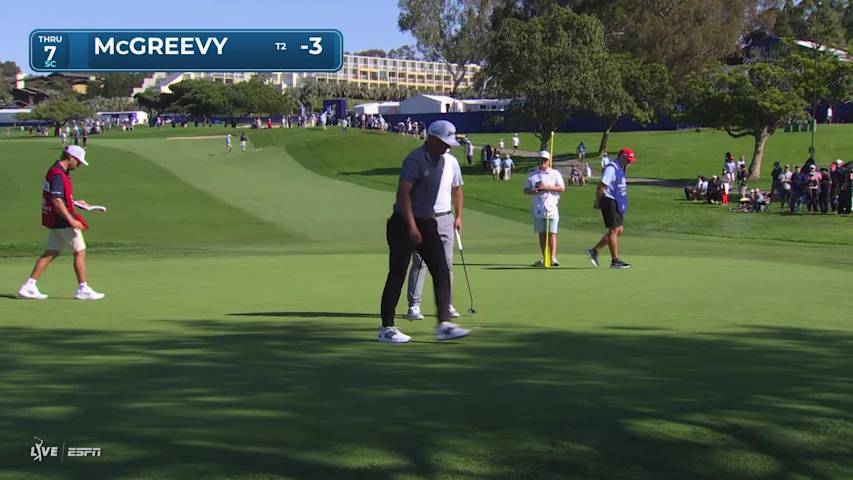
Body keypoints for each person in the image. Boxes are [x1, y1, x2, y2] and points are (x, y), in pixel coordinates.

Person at [379, 120, 471, 343]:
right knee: (397, 274)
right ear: (431, 139)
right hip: (403, 223)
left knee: (441, 271)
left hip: (427, 223)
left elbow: (452, 190)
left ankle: (444, 324)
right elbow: (403, 195)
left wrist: (427, 224)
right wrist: (411, 226)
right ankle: (386, 328)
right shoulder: (415, 159)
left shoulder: (443, 161)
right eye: (444, 142)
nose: (447, 147)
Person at [18, 146, 105, 301]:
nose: (79, 165)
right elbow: (56, 200)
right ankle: (83, 289)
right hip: (62, 220)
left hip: (53, 219)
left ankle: (29, 286)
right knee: (80, 251)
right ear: (71, 157)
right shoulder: (58, 174)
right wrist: (72, 220)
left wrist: (75, 202)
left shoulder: (56, 170)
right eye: (78, 162)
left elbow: (60, 198)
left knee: (51, 252)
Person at [405, 128, 465, 322]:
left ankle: (446, 304)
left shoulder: (452, 162)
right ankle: (414, 305)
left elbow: (458, 189)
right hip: (424, 218)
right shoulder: (421, 159)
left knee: (447, 264)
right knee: (420, 263)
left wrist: (458, 217)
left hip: (445, 217)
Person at [588, 147, 635, 269]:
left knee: (619, 230)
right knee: (613, 230)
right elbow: (601, 186)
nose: (629, 162)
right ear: (622, 157)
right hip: (608, 200)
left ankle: (594, 250)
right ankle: (615, 261)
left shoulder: (622, 167)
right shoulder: (611, 168)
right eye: (628, 159)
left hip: (617, 200)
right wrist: (598, 202)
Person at [524, 151, 565, 267]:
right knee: (542, 234)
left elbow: (562, 188)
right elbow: (525, 190)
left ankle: (553, 258)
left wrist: (549, 187)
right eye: (541, 159)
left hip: (551, 207)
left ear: (549, 161)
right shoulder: (532, 174)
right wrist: (533, 191)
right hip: (538, 208)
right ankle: (545, 257)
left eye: (545, 160)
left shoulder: (554, 173)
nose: (543, 162)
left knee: (552, 233)